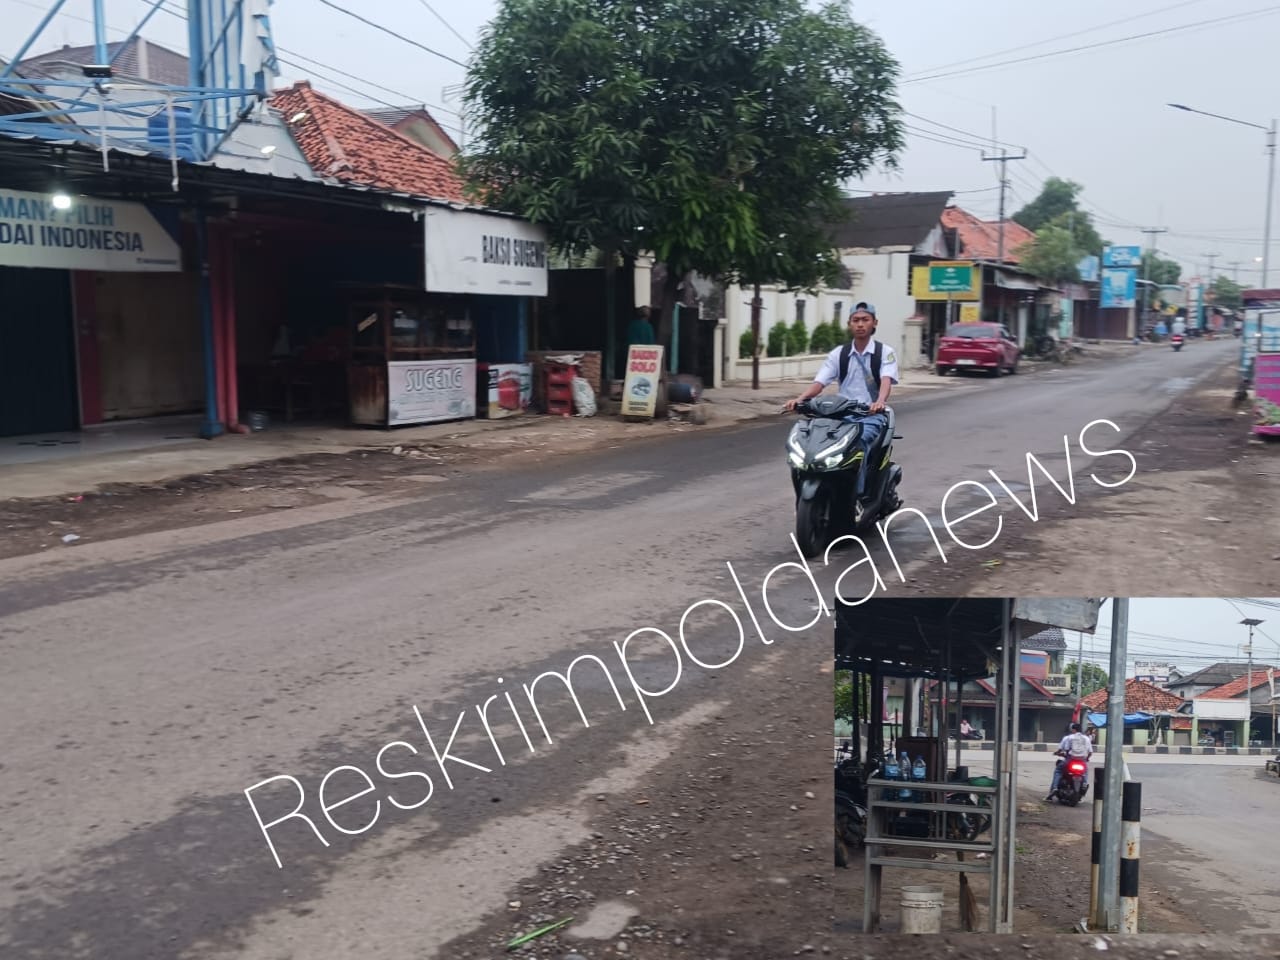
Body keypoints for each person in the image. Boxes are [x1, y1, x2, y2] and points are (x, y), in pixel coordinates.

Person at [783, 302, 900, 498]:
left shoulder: (884, 353)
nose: (860, 324)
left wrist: (879, 401)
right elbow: (820, 383)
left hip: (870, 415)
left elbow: (886, 381)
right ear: (849, 324)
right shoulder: (839, 354)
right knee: (811, 442)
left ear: (874, 323)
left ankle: (859, 497)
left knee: (859, 443)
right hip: (840, 415)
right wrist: (800, 399)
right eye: (856, 320)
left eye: (865, 320)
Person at [1045, 722, 1093, 801]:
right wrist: (1087, 758)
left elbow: (1065, 749)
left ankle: (1054, 788)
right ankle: (1084, 783)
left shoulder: (1069, 738)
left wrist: (1058, 753)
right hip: (1082, 761)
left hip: (1070, 759)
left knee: (1058, 771)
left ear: (1073, 730)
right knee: (1085, 772)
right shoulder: (1086, 738)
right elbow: (1090, 752)